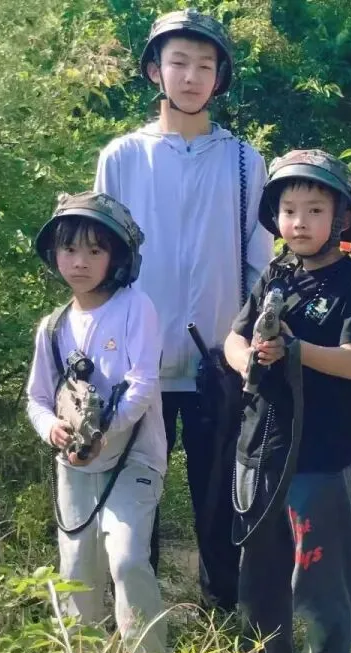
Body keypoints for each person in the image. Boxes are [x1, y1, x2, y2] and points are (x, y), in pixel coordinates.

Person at [94, 9, 273, 611]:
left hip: (217, 360)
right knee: (131, 491)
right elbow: (101, 258)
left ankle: (225, 611)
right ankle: (135, 613)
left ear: (220, 77)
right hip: (137, 361)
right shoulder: (123, 156)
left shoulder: (244, 159)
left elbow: (259, 260)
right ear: (155, 70)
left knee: (219, 491)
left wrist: (245, 341)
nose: (191, 76)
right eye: (178, 62)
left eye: (205, 65)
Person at [224, 149, 351, 653]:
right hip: (258, 449)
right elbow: (231, 339)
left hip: (319, 455)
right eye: (290, 209)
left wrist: (294, 350)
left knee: (319, 583)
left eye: (315, 209)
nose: (300, 221)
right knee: (261, 576)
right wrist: (249, 358)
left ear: (342, 217)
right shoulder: (275, 274)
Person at [26, 191, 167, 653]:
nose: (80, 262)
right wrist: (52, 428)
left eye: (94, 250)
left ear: (118, 257)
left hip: (134, 456)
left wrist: (108, 427)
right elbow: (37, 399)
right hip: (74, 467)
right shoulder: (53, 326)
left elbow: (143, 383)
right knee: (76, 570)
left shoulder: (134, 307)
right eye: (69, 249)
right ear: (54, 255)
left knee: (127, 559)